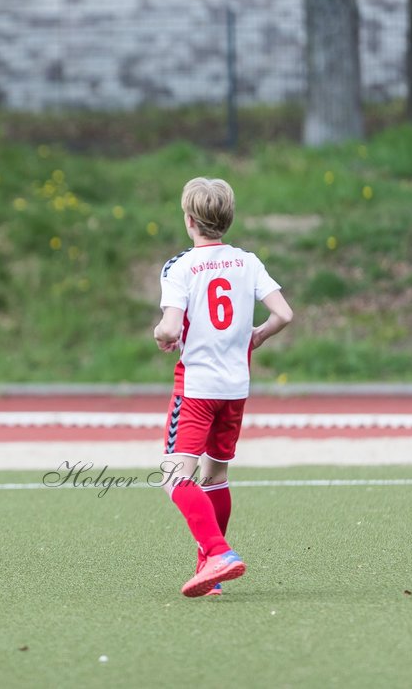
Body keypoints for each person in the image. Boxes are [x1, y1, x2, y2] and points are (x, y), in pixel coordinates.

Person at [152, 177, 294, 597]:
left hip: (197, 387)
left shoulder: (180, 266)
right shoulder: (247, 261)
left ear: (190, 220)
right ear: (226, 220)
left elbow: (171, 326)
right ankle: (208, 570)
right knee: (215, 474)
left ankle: (217, 551)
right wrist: (259, 335)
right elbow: (283, 314)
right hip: (236, 387)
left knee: (173, 477)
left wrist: (162, 334)